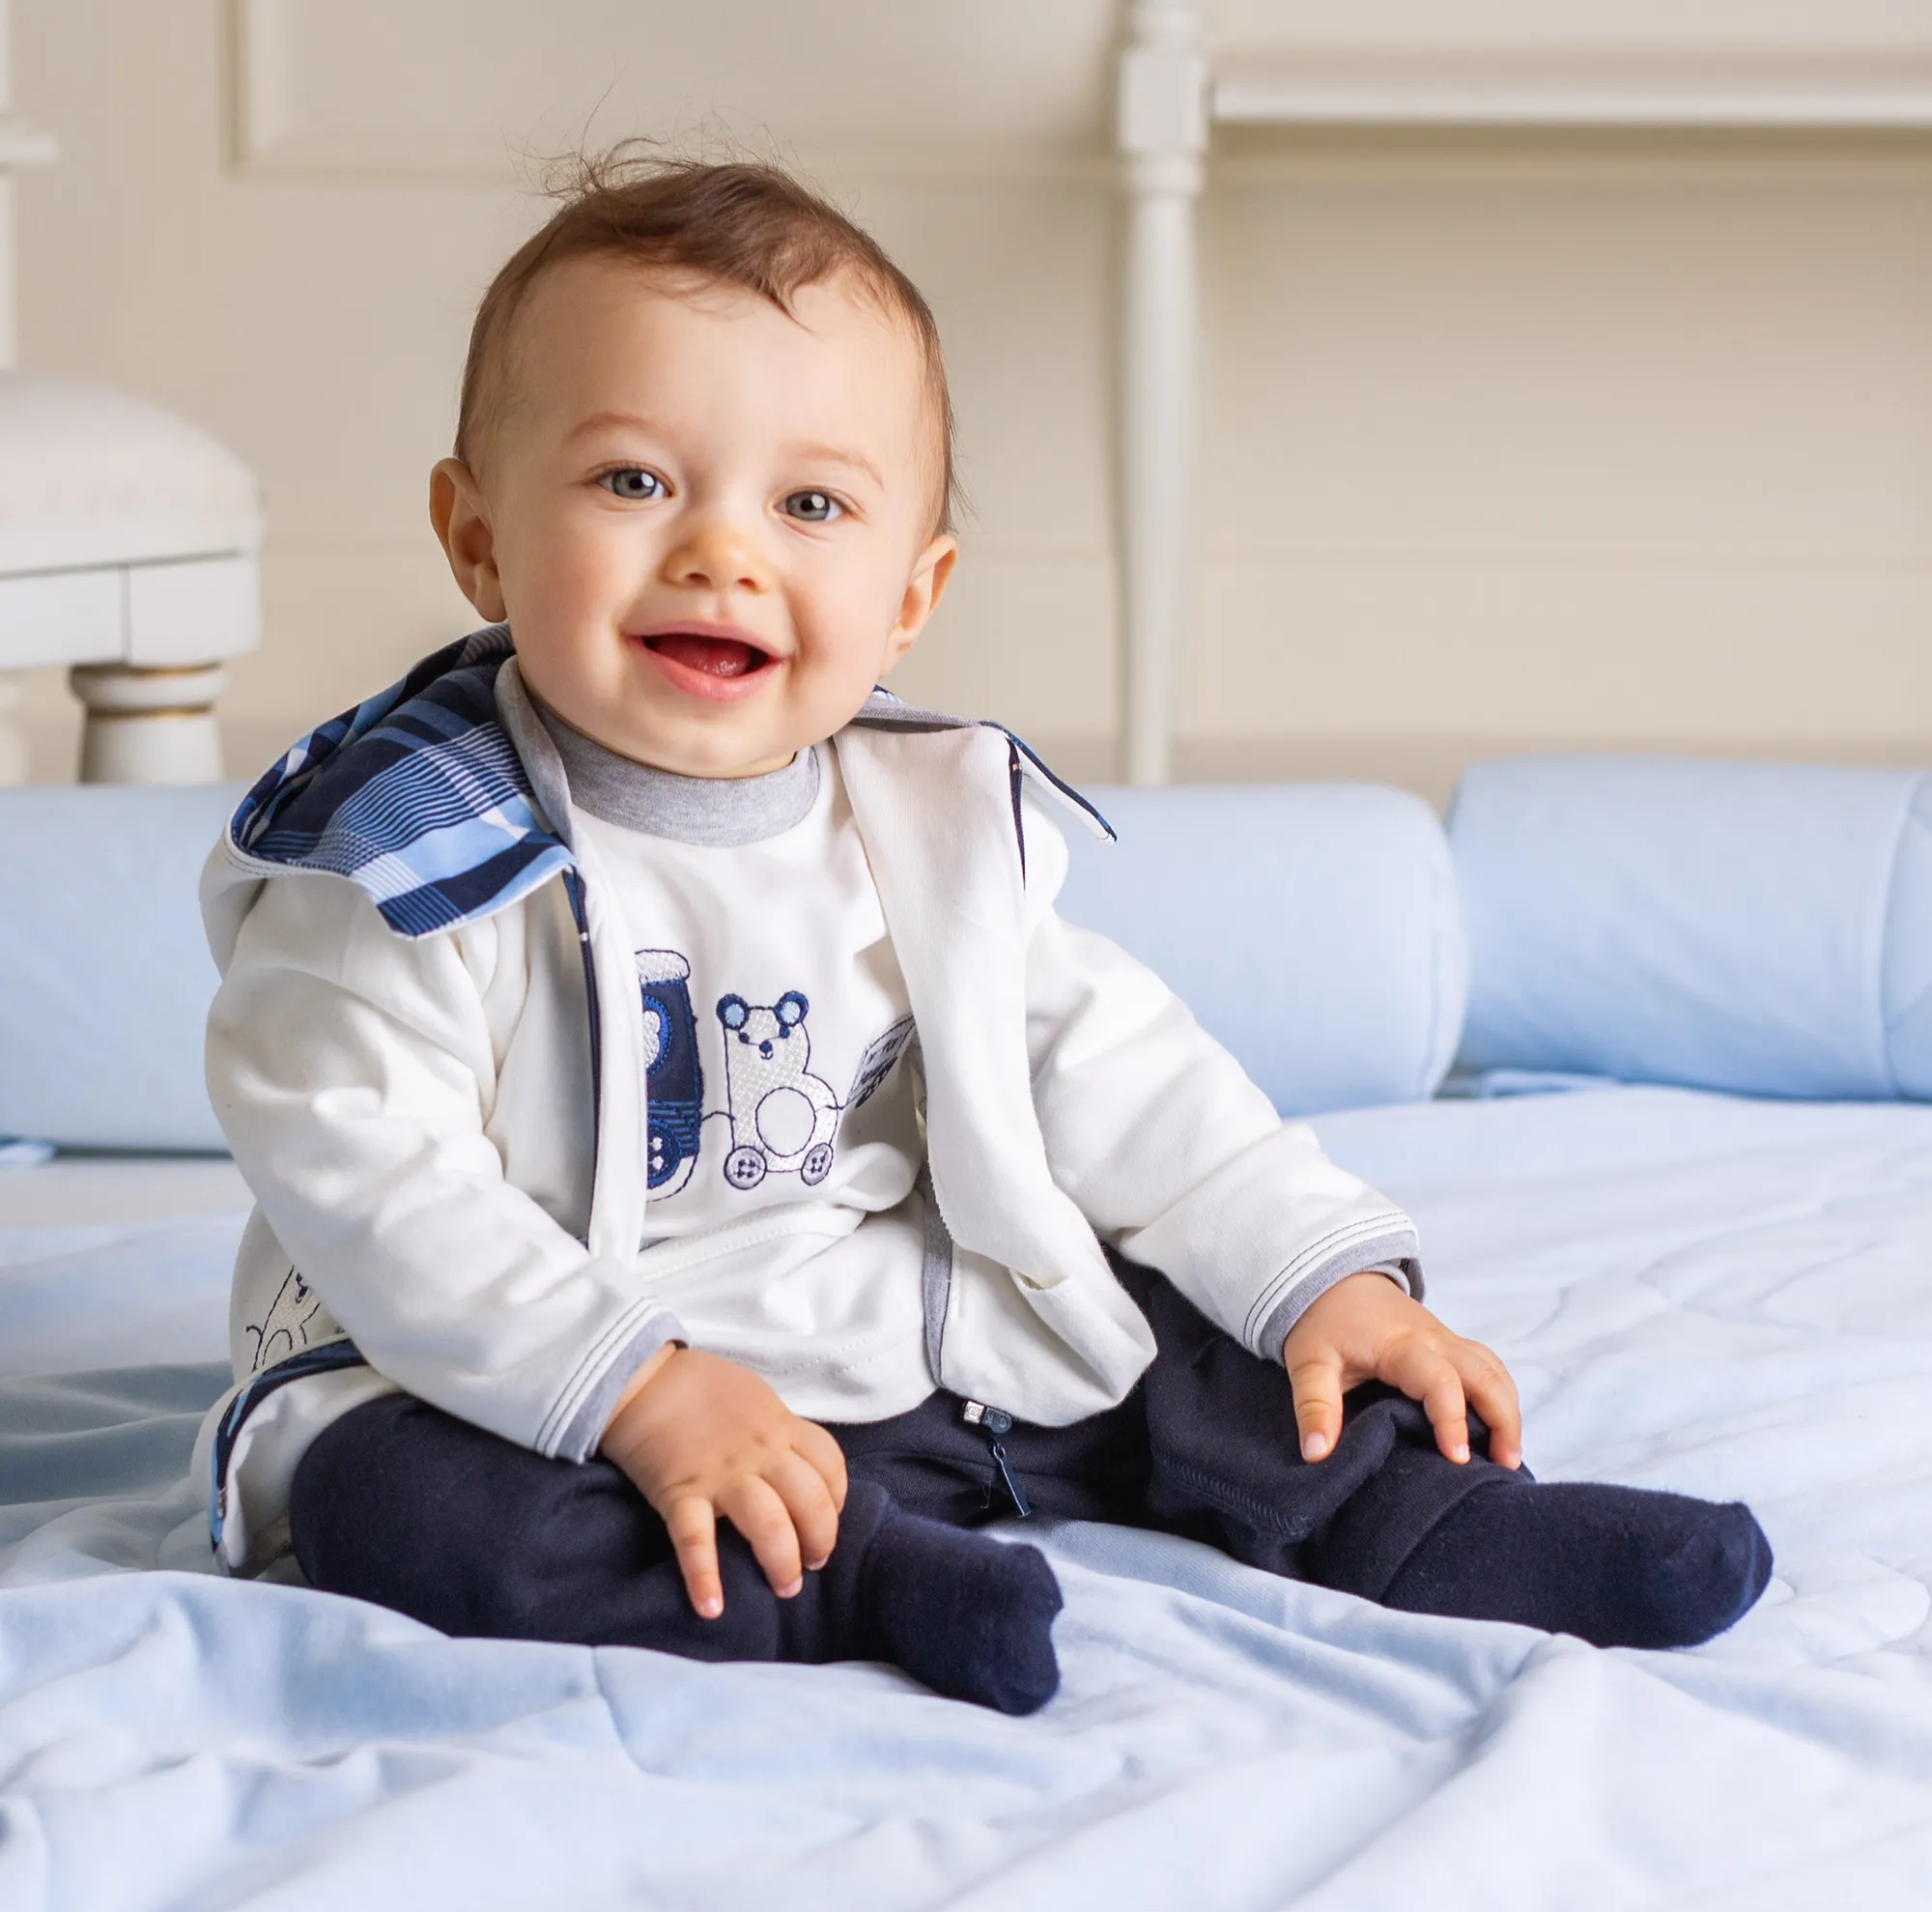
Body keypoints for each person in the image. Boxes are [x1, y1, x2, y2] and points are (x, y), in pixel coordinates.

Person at [195, 157, 1772, 1715]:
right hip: (537, 1373)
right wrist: (637, 1386)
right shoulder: (408, 856)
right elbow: (370, 1180)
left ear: (910, 594)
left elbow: (1115, 1066)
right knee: (397, 1508)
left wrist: (1319, 1280)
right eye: (633, 482)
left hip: (897, 1344)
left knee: (1176, 1330)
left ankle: (1409, 1511)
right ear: (474, 538)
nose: (720, 552)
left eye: (811, 504)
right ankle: (851, 1589)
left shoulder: (920, 819)